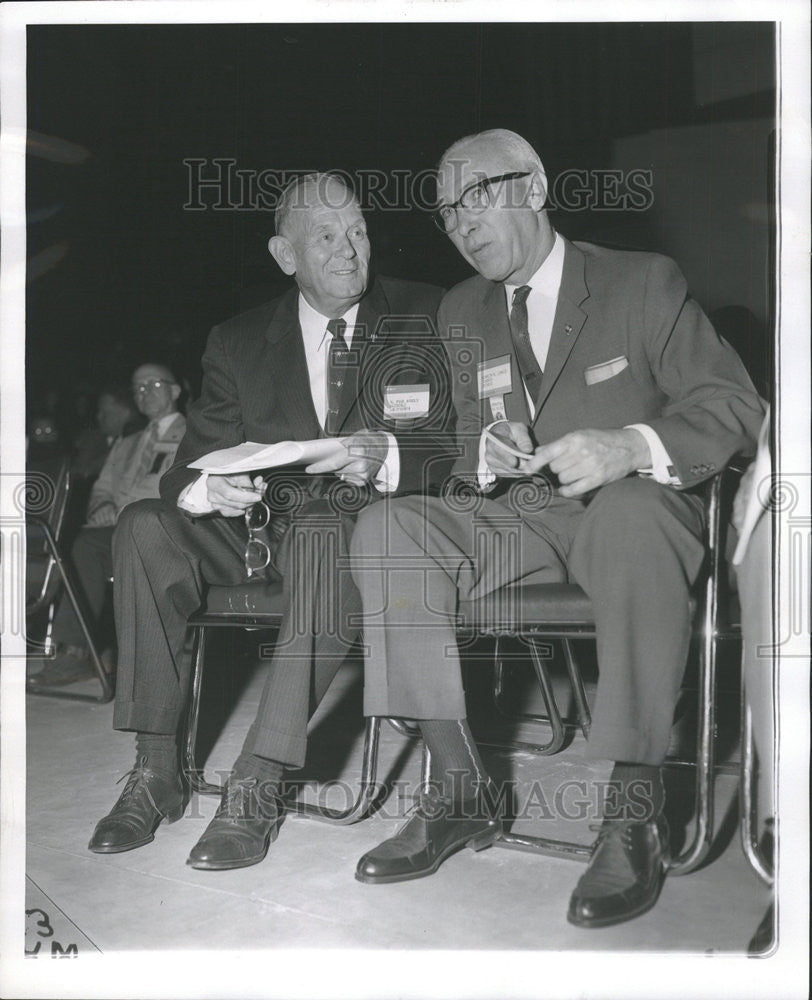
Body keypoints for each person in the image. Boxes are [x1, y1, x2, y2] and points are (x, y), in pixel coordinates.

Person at [349, 129, 765, 927]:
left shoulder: (641, 282)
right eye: (446, 210)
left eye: (476, 196)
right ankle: (460, 787)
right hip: (523, 520)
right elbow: (456, 439)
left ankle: (632, 811)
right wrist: (482, 450)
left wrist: (628, 446)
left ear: (533, 187)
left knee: (636, 520)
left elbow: (734, 409)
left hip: (632, 513)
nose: (461, 222)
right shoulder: (460, 308)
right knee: (387, 529)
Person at [87, 173, 455, 870]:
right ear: (285, 255)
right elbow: (188, 468)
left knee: (322, 527)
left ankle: (258, 782)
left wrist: (393, 456)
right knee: (143, 524)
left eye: (359, 231)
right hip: (260, 535)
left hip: (370, 535)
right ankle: (156, 768)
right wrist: (209, 492)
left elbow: (457, 440)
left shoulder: (428, 312)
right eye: (327, 236)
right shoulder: (238, 340)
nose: (351, 249)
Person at [28, 363, 186, 688]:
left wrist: (125, 511)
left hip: (164, 530)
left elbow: (181, 488)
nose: (144, 392)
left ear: (175, 391)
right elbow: (102, 487)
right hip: (117, 533)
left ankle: (86, 651)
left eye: (154, 384)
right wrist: (103, 506)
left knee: (91, 544)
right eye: (138, 387)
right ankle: (74, 652)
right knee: (78, 543)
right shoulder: (127, 443)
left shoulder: (193, 435)